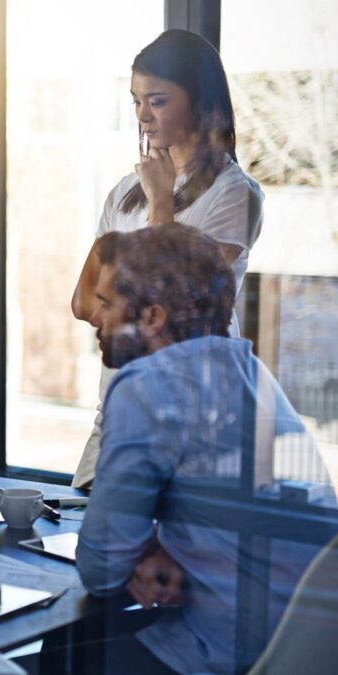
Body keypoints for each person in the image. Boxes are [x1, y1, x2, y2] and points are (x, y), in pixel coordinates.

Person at [75, 224, 334, 674]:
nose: (96, 317)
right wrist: (163, 547)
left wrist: (139, 550)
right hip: (313, 648)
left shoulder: (148, 385)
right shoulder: (250, 372)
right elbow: (222, 510)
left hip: (235, 652)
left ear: (152, 318)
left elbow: (100, 569)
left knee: (65, 653)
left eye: (107, 303)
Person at [70, 29, 264, 488]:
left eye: (156, 101)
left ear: (199, 103)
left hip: (193, 412)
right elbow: (83, 302)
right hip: (119, 404)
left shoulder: (234, 194)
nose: (142, 116)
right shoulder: (125, 192)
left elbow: (173, 306)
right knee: (82, 518)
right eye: (136, 101)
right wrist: (134, 308)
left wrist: (161, 201)